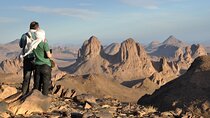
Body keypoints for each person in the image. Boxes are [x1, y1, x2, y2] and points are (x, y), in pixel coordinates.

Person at [19, 21, 39, 95]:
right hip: (36, 58)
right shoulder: (39, 35)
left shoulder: (24, 35)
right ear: (37, 27)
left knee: (26, 78)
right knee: (36, 78)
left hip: (27, 58)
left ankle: (24, 94)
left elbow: (21, 45)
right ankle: (36, 95)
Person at [33, 29, 52, 96]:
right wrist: (50, 54)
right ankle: (44, 100)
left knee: (37, 84)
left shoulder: (33, 44)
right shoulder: (44, 44)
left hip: (37, 66)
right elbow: (48, 55)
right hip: (45, 66)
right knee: (45, 84)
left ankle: (36, 99)